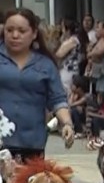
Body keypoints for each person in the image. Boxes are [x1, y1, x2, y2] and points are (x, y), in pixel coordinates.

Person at [0, 8, 74, 159]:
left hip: (32, 143)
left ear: (33, 34)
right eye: (10, 30)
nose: (15, 35)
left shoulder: (45, 65)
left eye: (22, 31)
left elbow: (58, 100)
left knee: (31, 182)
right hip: (2, 142)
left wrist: (67, 124)